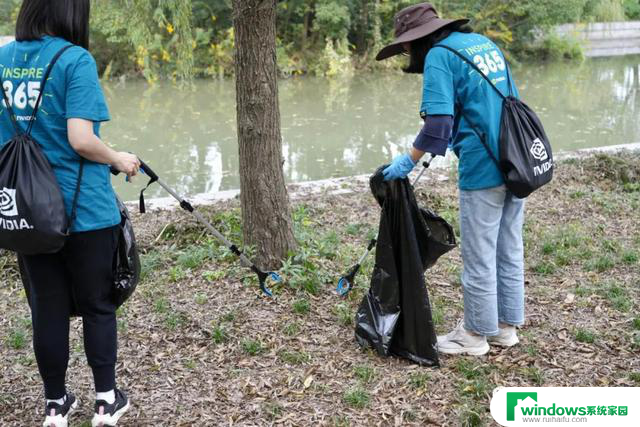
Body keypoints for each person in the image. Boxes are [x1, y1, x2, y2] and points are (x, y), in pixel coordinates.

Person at [0, 1, 139, 425]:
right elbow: (81, 139)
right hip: (84, 211)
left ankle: (56, 404)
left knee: (48, 307)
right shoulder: (74, 60)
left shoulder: (3, 58)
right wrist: (118, 157)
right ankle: (105, 400)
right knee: (98, 305)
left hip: (27, 209)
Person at [376, 2, 525, 356]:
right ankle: (506, 328)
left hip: (483, 164)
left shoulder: (439, 57)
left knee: (479, 252)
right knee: (509, 245)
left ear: (417, 40)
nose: (406, 54)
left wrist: (408, 161)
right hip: (517, 158)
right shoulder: (483, 44)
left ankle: (473, 335)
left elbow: (438, 123)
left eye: (406, 46)